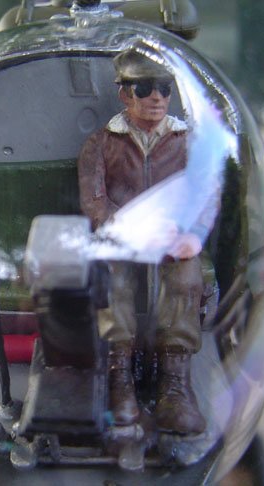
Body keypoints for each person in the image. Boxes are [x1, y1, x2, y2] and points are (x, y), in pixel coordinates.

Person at [77, 44, 206, 435]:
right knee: (111, 277)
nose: (156, 98)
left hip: (171, 237)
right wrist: (124, 227)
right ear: (124, 94)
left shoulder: (187, 141)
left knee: (185, 278)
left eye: (164, 88)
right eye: (144, 88)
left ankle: (174, 383)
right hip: (124, 236)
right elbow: (94, 200)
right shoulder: (101, 143)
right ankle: (119, 376)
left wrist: (192, 232)